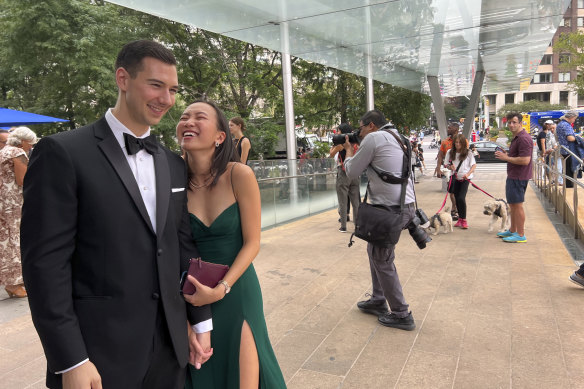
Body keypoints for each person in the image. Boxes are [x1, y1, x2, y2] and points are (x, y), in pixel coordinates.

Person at [20, 40, 212, 389]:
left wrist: (199, 322)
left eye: (172, 89)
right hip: (98, 354)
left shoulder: (172, 163)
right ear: (122, 78)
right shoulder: (62, 152)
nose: (167, 100)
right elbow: (44, 266)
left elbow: (180, 245)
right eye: (155, 85)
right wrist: (70, 359)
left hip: (170, 350)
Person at [178, 100, 286, 388]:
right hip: (192, 296)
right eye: (183, 117)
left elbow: (253, 243)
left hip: (236, 290)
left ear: (220, 136)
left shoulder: (239, 174)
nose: (188, 121)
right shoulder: (173, 181)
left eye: (199, 117)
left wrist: (221, 288)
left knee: (243, 378)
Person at [344, 109, 416, 331]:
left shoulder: (375, 138)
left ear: (372, 125)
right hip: (404, 204)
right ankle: (378, 299)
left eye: (361, 127)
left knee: (382, 259)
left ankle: (401, 313)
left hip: (389, 209)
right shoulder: (400, 137)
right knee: (375, 252)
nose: (360, 132)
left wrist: (348, 151)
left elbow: (352, 171)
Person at [0, 127, 37, 298]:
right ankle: (15, 283)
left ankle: (12, 282)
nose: (30, 147)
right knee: (15, 240)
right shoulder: (17, 152)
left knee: (6, 241)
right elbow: (24, 179)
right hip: (13, 203)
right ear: (23, 141)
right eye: (30, 143)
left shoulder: (4, 151)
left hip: (3, 201)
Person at [495, 112, 533, 243]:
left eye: (514, 122)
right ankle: (512, 230)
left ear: (520, 123)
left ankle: (521, 234)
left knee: (517, 206)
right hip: (514, 176)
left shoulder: (523, 138)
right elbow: (518, 156)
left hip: (518, 177)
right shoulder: (517, 137)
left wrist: (506, 158)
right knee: (512, 205)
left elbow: (525, 160)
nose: (511, 125)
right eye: (509, 122)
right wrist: (508, 155)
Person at [329, 123, 360, 232]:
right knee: (355, 201)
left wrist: (335, 144)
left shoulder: (341, 144)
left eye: (338, 131)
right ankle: (357, 226)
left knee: (342, 200)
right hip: (355, 174)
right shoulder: (355, 143)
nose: (337, 133)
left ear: (342, 132)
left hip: (343, 173)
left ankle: (343, 226)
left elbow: (331, 154)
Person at [444, 134, 476, 229]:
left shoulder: (468, 153)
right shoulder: (450, 152)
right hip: (455, 177)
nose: (457, 144)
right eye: (456, 142)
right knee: (457, 198)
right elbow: (446, 164)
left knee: (461, 197)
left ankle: (464, 220)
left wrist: (468, 174)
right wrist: (450, 166)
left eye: (459, 142)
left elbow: (474, 165)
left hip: (465, 178)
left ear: (463, 143)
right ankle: (460, 219)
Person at [435, 122, 464, 220]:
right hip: (450, 172)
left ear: (455, 129)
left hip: (461, 172)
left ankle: (458, 210)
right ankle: (454, 209)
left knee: (460, 194)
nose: (448, 129)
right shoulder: (445, 142)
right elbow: (440, 155)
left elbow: (466, 156)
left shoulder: (463, 140)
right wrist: (438, 169)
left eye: (450, 128)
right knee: (451, 192)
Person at [556, 111, 579, 188]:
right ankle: (570, 187)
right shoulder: (566, 125)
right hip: (569, 150)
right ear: (571, 117)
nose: (574, 121)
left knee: (566, 169)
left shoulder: (560, 124)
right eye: (574, 119)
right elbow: (570, 138)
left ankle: (569, 186)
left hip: (564, 150)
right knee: (570, 170)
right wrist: (578, 138)